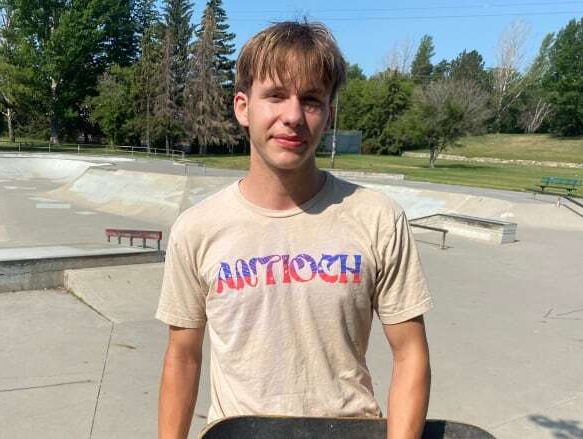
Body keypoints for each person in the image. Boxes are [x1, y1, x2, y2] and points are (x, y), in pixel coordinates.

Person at [157, 21, 433, 439]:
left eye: (311, 100)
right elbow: (182, 357)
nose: (292, 116)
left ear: (328, 115)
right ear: (242, 107)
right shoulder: (197, 229)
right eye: (275, 96)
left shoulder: (378, 218)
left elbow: (410, 353)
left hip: (350, 429)